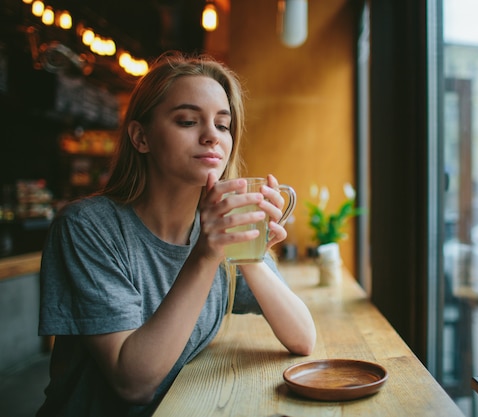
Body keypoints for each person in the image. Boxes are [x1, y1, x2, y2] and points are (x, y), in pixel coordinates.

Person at [37, 51, 316, 417]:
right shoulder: (87, 227)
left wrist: (249, 250)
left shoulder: (216, 227)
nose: (211, 137)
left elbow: (302, 338)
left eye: (222, 124)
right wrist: (206, 253)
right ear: (141, 137)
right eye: (187, 121)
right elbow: (132, 383)